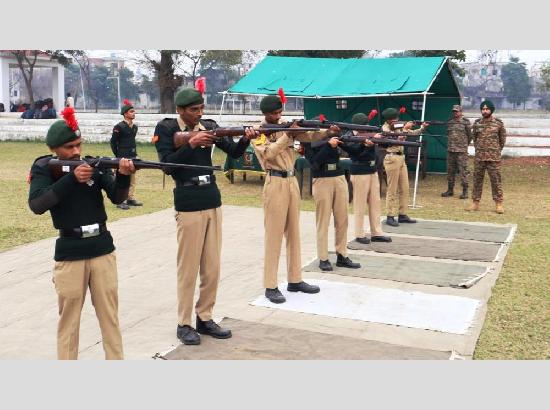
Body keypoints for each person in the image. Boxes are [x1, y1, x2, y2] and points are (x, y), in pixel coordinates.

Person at [27, 107, 136, 360]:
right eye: (69, 147)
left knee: (110, 318)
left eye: (78, 145)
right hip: (70, 251)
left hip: (101, 249)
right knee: (69, 324)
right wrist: (71, 179)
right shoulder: (45, 168)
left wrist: (123, 176)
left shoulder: (93, 164)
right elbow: (37, 205)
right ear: (55, 149)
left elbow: (118, 197)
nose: (76, 152)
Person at [154, 88, 256, 345]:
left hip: (211, 199)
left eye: (201, 108)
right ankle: (184, 323)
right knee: (188, 268)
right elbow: (167, 166)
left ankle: (205, 316)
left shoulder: (209, 126)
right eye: (193, 110)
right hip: (188, 202)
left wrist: (246, 139)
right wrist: (191, 143)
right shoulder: (167, 129)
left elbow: (232, 152)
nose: (199, 113)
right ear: (180, 110)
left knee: (212, 267)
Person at [252, 95, 338, 303]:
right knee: (274, 235)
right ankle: (270, 285)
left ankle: (295, 279)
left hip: (291, 181)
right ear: (265, 114)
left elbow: (308, 137)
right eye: (274, 113)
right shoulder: (258, 131)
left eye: (280, 112)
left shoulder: (284, 126)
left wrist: (327, 132)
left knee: (294, 233)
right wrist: (288, 136)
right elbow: (269, 154)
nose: (278, 116)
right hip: (274, 181)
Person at [304, 126, 361, 273]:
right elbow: (315, 163)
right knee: (323, 221)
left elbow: (353, 151)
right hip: (322, 180)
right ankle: (323, 258)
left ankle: (342, 255)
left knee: (342, 220)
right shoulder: (308, 142)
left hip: (339, 177)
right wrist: (329, 146)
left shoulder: (334, 139)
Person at [340, 113, 392, 244]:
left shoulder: (369, 134)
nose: (367, 128)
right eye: (364, 126)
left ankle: (376, 232)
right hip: (359, 171)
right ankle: (359, 233)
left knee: (375, 202)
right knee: (360, 204)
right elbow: (354, 151)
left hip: (372, 170)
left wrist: (384, 139)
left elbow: (383, 147)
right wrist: (365, 144)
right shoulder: (348, 137)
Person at [381, 108, 428, 227]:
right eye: (396, 118)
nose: (398, 120)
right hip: (392, 158)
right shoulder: (385, 128)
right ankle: (390, 216)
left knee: (405, 187)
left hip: (401, 158)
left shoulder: (398, 126)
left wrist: (422, 128)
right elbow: (393, 140)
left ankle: (402, 214)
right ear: (390, 119)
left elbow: (413, 133)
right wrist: (404, 130)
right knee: (392, 189)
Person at [467, 100, 506, 214]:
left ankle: (498, 204)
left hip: (493, 158)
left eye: (486, 109)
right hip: (480, 157)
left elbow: (502, 140)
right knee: (477, 180)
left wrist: (496, 151)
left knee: (496, 181)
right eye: (483, 109)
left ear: (491, 110)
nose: (484, 111)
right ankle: (475, 203)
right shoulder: (477, 123)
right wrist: (479, 149)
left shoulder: (498, 123)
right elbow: (474, 138)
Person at [111, 99, 142, 210]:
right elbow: (113, 142)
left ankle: (130, 198)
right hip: (122, 156)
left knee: (132, 179)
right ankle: (120, 200)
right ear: (125, 114)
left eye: (134, 111)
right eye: (131, 112)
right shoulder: (119, 127)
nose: (134, 113)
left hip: (132, 155)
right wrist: (118, 155)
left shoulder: (134, 127)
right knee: (122, 178)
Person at [441, 105, 472, 199]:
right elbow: (448, 134)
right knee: (450, 171)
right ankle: (450, 190)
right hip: (451, 150)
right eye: (454, 111)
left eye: (457, 111)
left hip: (461, 151)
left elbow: (470, 136)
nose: (455, 113)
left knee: (463, 171)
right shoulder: (450, 123)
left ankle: (465, 191)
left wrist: (464, 145)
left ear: (461, 112)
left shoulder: (465, 122)